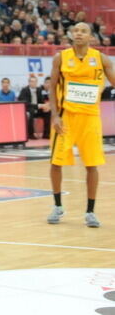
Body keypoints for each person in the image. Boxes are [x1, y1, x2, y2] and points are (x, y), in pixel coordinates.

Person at [47, 22, 115, 228]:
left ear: (91, 37)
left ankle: (90, 211)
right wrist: (55, 116)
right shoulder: (61, 57)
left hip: (90, 118)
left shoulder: (101, 58)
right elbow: (51, 88)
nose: (79, 34)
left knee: (91, 165)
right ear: (71, 35)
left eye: (83, 31)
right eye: (75, 31)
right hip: (66, 117)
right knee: (56, 163)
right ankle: (57, 205)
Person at [17, 74, 49, 139]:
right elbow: (26, 103)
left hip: (38, 109)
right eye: (31, 81)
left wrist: (44, 106)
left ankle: (46, 134)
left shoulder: (39, 90)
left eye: (35, 82)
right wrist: (38, 106)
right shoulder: (24, 90)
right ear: (29, 82)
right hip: (29, 109)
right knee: (30, 112)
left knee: (47, 112)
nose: (33, 83)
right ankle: (31, 134)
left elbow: (41, 101)